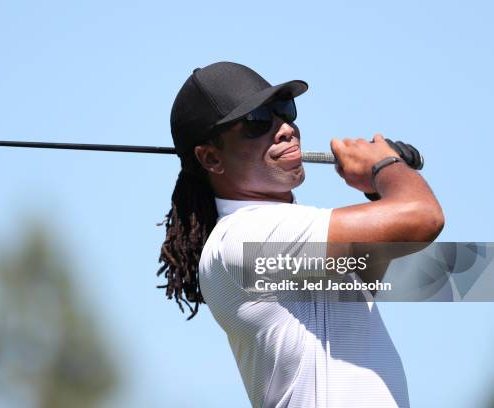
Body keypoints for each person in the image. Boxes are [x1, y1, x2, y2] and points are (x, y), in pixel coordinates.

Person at [157, 61, 444, 408]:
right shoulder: (244, 237)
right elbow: (423, 217)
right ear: (211, 159)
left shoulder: (292, 241)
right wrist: (384, 167)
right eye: (257, 122)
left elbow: (451, 274)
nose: (286, 129)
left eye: (284, 111)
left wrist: (380, 188)